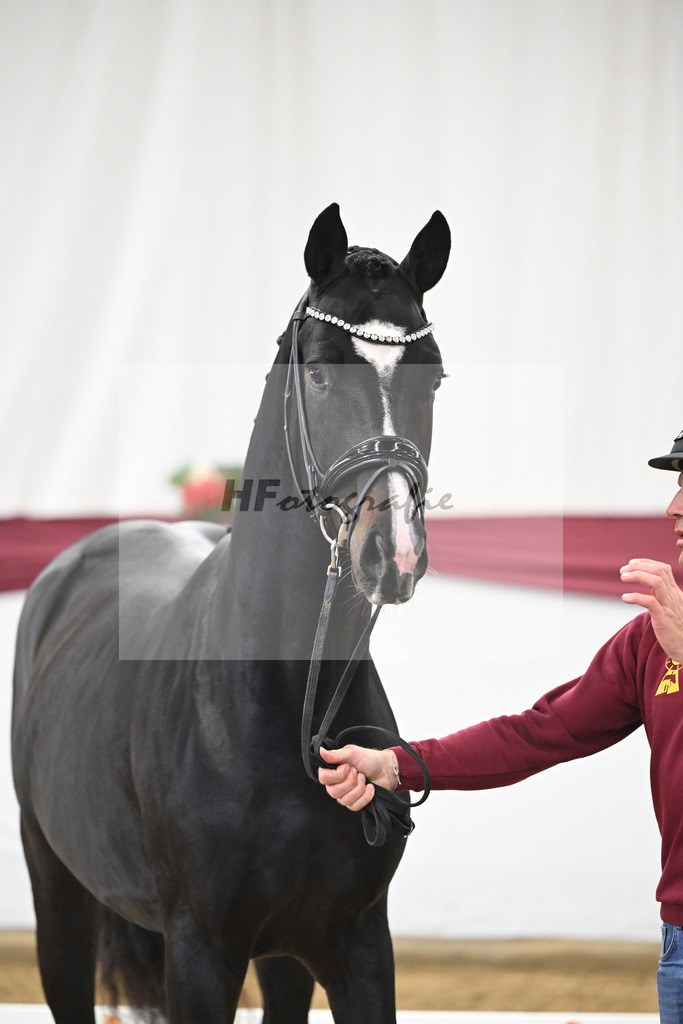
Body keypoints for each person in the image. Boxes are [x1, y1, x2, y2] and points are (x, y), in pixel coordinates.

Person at [318, 428, 683, 1024]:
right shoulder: (653, 636)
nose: (673, 507)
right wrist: (395, 765)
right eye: (676, 487)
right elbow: (540, 732)